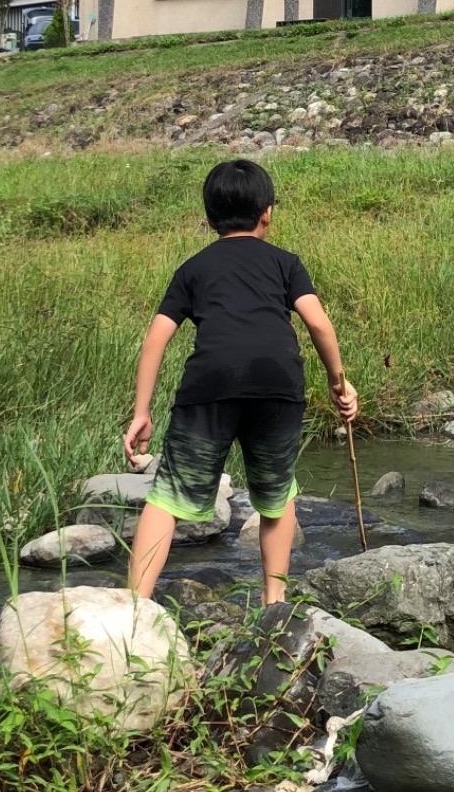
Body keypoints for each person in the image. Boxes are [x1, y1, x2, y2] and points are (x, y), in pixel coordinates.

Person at [123, 158, 357, 604]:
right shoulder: (285, 263)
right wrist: (339, 384)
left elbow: (156, 339)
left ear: (209, 218)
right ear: (267, 212)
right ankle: (274, 603)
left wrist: (141, 412)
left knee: (168, 498)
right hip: (278, 385)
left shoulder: (193, 268)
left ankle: (135, 604)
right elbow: (319, 325)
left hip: (208, 386)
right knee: (276, 493)